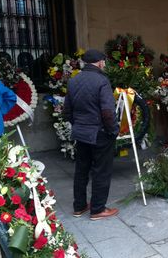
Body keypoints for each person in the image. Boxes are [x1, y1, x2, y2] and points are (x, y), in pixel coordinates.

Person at [63, 49, 120, 221]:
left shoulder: (73, 80)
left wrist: (79, 125)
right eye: (104, 61)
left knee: (81, 169)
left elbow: (67, 111)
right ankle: (97, 209)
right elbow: (108, 112)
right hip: (99, 132)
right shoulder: (102, 80)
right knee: (101, 171)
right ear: (100, 62)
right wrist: (113, 130)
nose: (105, 64)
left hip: (81, 132)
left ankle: (79, 206)